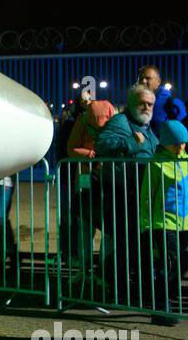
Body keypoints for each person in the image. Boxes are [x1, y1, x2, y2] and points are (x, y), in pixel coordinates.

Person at [95, 85, 160, 303]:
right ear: (131, 103)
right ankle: (118, 291)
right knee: (125, 245)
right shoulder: (120, 122)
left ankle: (132, 291)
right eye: (142, 103)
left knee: (137, 245)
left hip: (141, 196)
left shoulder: (147, 126)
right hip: (123, 194)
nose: (146, 107)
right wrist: (131, 142)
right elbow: (102, 145)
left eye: (150, 104)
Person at [137, 120, 188, 325]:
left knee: (182, 262)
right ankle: (163, 305)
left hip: (183, 224)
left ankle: (168, 300)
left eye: (183, 142)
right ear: (164, 142)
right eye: (175, 143)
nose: (180, 146)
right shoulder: (156, 164)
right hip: (163, 223)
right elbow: (147, 197)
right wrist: (146, 226)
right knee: (169, 263)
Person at [62, 94, 115, 273]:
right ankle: (96, 271)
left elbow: (71, 149)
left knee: (93, 227)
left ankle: (94, 270)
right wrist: (92, 154)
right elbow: (71, 148)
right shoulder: (104, 121)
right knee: (98, 227)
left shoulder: (85, 120)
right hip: (98, 178)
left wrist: (89, 153)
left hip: (94, 178)